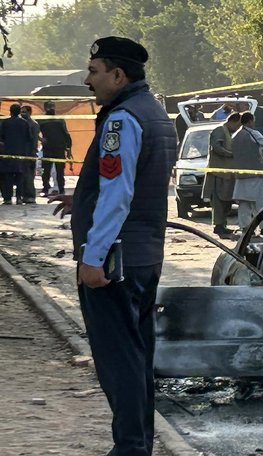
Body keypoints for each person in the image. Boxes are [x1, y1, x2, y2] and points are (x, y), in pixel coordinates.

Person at [48, 36, 177, 456]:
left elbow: (118, 195)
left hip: (115, 262)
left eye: (94, 71)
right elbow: (130, 183)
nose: (88, 81)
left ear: (118, 75)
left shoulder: (121, 120)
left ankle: (130, 448)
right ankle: (137, 445)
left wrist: (93, 256)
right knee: (136, 358)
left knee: (118, 361)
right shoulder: (153, 113)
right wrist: (81, 197)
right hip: (143, 255)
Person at [231, 112, 263, 232]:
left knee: (244, 203)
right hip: (255, 173)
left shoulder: (235, 135)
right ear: (249, 121)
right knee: (260, 202)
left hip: (241, 174)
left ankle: (245, 228)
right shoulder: (253, 133)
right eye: (253, 121)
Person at [202, 112, 241, 237]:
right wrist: (231, 154)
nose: (237, 128)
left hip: (228, 173)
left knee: (226, 201)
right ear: (231, 122)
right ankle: (218, 226)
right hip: (219, 173)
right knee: (218, 201)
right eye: (237, 125)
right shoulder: (219, 131)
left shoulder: (230, 133)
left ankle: (222, 224)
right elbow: (217, 147)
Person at [0, 104, 32, 204]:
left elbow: (1, 137)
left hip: (8, 154)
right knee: (20, 177)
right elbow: (29, 138)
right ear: (19, 112)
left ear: (10, 111)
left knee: (8, 177)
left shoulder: (5, 123)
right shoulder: (25, 123)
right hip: (21, 153)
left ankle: (8, 198)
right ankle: (19, 198)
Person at [39, 101, 73, 195]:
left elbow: (66, 134)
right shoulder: (41, 119)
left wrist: (69, 148)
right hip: (47, 149)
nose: (52, 108)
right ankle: (45, 189)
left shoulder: (59, 119)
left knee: (60, 171)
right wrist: (41, 139)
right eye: (49, 107)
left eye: (53, 106)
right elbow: (33, 129)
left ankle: (61, 189)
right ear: (45, 108)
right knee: (46, 171)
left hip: (59, 148)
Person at [20, 105, 40, 203]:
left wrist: (32, 153)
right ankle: (24, 195)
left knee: (29, 176)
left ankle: (30, 196)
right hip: (22, 153)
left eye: (24, 112)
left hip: (29, 153)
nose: (22, 114)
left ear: (29, 112)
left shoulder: (33, 124)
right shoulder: (22, 124)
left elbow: (34, 141)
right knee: (23, 176)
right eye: (21, 112)